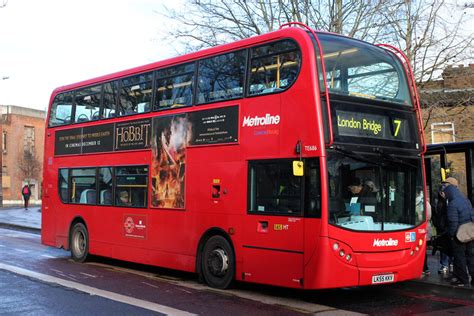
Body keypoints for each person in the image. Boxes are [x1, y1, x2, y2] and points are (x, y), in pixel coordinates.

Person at [442, 177, 474, 287]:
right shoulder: (466, 200)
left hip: (459, 235)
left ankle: (462, 279)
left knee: (460, 257)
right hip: (470, 233)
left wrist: (451, 235)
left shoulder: (452, 204)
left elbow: (453, 223)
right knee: (471, 256)